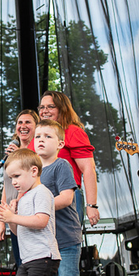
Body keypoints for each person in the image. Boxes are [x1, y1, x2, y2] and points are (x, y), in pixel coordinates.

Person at [33, 120, 96, 276]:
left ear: (60, 143)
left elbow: (67, 198)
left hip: (66, 237)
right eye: (38, 136)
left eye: (47, 136)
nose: (40, 139)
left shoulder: (61, 166)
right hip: (44, 240)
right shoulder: (34, 171)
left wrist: (39, 208)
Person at [36, 91, 100, 226]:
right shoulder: (38, 136)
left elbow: (88, 168)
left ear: (62, 108)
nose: (44, 111)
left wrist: (91, 205)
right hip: (40, 195)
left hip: (66, 194)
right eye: (42, 107)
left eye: (50, 107)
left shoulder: (72, 131)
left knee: (67, 243)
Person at [0, 109, 40, 267]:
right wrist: (2, 222)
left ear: (37, 126)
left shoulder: (38, 152)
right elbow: (6, 187)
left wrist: (21, 153)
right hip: (14, 217)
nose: (23, 126)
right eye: (20, 122)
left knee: (34, 265)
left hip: (31, 214)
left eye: (28, 122)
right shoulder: (10, 154)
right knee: (21, 265)